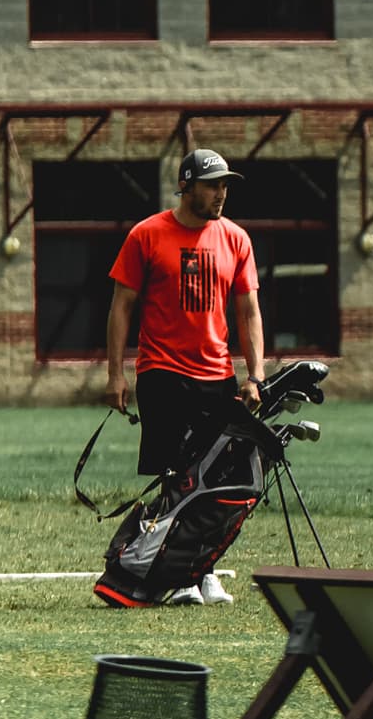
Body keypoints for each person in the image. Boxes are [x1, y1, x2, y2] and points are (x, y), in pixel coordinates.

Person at [104, 150, 266, 590]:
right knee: (174, 476)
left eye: (225, 185)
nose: (221, 193)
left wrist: (255, 374)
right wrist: (116, 374)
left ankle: (201, 570)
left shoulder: (236, 239)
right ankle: (165, 571)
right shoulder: (147, 235)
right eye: (213, 184)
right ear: (188, 185)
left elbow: (248, 310)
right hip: (162, 373)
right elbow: (121, 307)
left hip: (217, 375)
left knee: (216, 478)